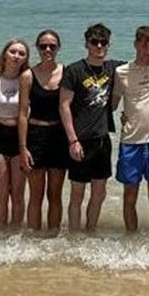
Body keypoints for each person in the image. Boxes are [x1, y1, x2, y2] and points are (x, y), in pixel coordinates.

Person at [60, 24, 121, 231]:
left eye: (103, 42)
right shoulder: (74, 70)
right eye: (94, 42)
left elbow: (142, 65)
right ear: (86, 44)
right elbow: (64, 105)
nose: (99, 46)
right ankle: (74, 236)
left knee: (99, 194)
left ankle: (90, 232)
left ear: (108, 45)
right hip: (80, 140)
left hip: (102, 140)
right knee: (77, 194)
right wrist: (72, 140)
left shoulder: (114, 68)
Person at [112, 26, 149, 232]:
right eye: (144, 45)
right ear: (135, 44)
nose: (148, 50)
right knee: (130, 195)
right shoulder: (121, 72)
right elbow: (112, 103)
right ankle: (131, 239)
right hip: (130, 142)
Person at [19, 30, 69, 231]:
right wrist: (23, 148)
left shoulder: (67, 73)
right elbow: (22, 113)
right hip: (35, 137)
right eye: (43, 46)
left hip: (59, 137)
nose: (47, 50)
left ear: (58, 48)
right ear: (37, 48)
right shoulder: (28, 75)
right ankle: (32, 240)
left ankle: (53, 241)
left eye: (52, 46)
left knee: (55, 195)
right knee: (36, 195)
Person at [0, 38, 31, 228]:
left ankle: (16, 235)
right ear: (4, 54)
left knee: (18, 193)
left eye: (21, 53)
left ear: (26, 58)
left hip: (21, 138)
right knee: (2, 192)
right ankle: (0, 235)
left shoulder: (27, 80)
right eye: (13, 52)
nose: (16, 56)